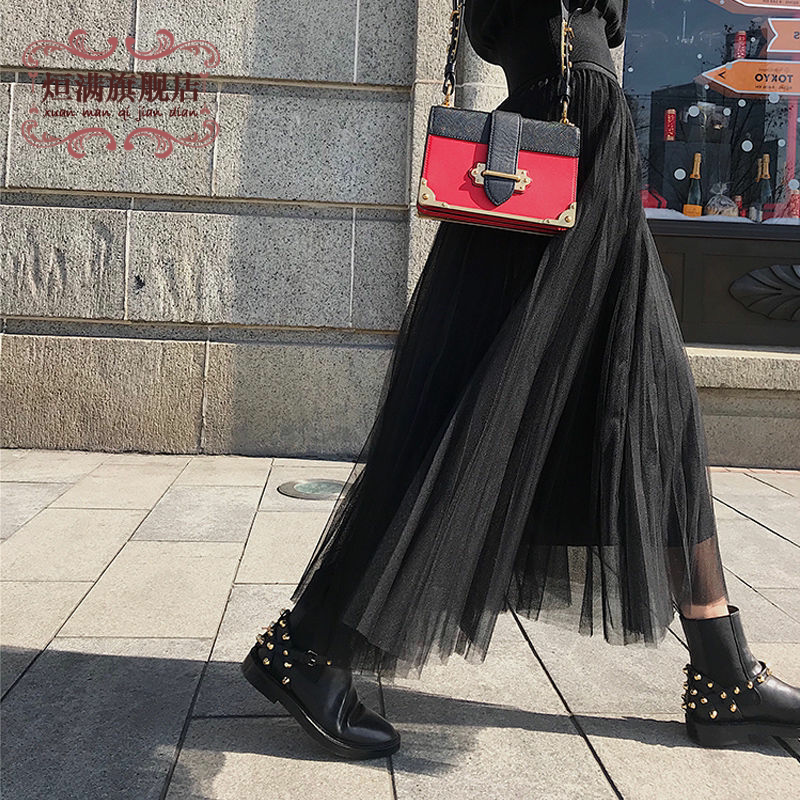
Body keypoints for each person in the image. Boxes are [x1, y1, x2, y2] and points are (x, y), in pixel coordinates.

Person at [240, 0, 800, 759]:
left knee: (654, 402)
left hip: (583, 145)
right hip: (555, 149)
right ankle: (308, 645)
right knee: (477, 410)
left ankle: (723, 672)